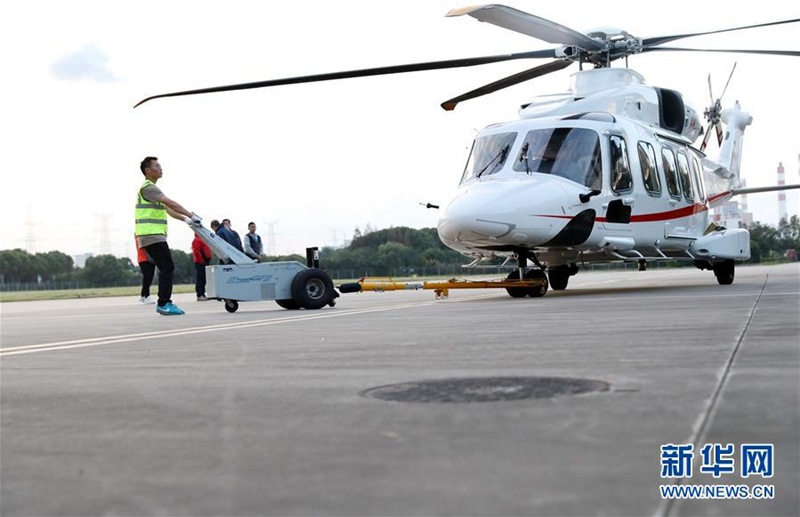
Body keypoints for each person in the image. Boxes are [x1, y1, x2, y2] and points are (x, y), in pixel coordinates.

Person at [135, 156, 201, 315]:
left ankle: (164, 302)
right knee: (167, 267)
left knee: (165, 267)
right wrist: (191, 215)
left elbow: (168, 210)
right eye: (157, 166)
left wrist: (185, 219)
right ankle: (164, 303)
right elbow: (171, 203)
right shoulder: (148, 188)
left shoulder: (152, 190)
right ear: (148, 170)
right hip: (151, 234)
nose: (160, 168)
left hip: (151, 235)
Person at [135, 235, 156, 304]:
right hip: (143, 258)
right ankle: (147, 296)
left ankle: (142, 296)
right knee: (147, 277)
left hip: (151, 257)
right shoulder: (139, 233)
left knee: (150, 278)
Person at [192, 233, 212, 301]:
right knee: (200, 278)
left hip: (204, 261)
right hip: (200, 261)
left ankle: (202, 294)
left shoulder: (202, 239)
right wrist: (201, 261)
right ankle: (200, 294)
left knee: (204, 278)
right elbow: (196, 251)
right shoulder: (197, 240)